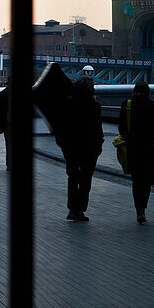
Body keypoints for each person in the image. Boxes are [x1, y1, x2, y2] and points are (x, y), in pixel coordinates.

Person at [118, 81, 154, 224]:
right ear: (148, 92)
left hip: (133, 148)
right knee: (147, 180)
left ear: (134, 91)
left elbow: (121, 128)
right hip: (150, 148)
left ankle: (139, 209)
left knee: (137, 180)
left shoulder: (126, 106)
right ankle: (142, 208)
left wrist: (128, 139)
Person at [57, 77, 104, 221]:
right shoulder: (95, 106)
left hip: (71, 148)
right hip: (89, 148)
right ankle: (80, 209)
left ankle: (72, 209)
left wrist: (63, 144)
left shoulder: (67, 104)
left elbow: (61, 128)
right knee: (85, 179)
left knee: (73, 178)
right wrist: (99, 144)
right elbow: (97, 129)